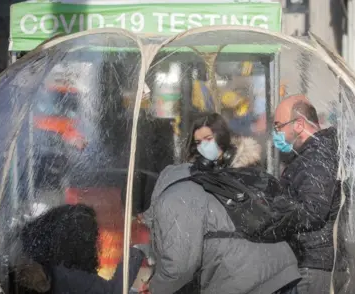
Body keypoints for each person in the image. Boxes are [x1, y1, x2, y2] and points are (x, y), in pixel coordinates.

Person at [143, 112, 301, 294]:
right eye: (198, 143)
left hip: (251, 278)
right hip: (278, 268)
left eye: (208, 139)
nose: (203, 146)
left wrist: (154, 289)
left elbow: (179, 267)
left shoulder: (176, 197)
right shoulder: (198, 184)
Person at [272, 94, 341, 294]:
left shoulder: (317, 156)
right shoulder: (310, 155)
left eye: (278, 126)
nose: (276, 133)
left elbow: (314, 210)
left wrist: (273, 211)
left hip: (312, 262)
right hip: (308, 260)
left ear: (299, 124)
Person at [17, 204, 148, 294]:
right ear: (76, 241)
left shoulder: (46, 263)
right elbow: (112, 291)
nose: (96, 244)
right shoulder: (65, 275)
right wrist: (136, 252)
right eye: (92, 237)